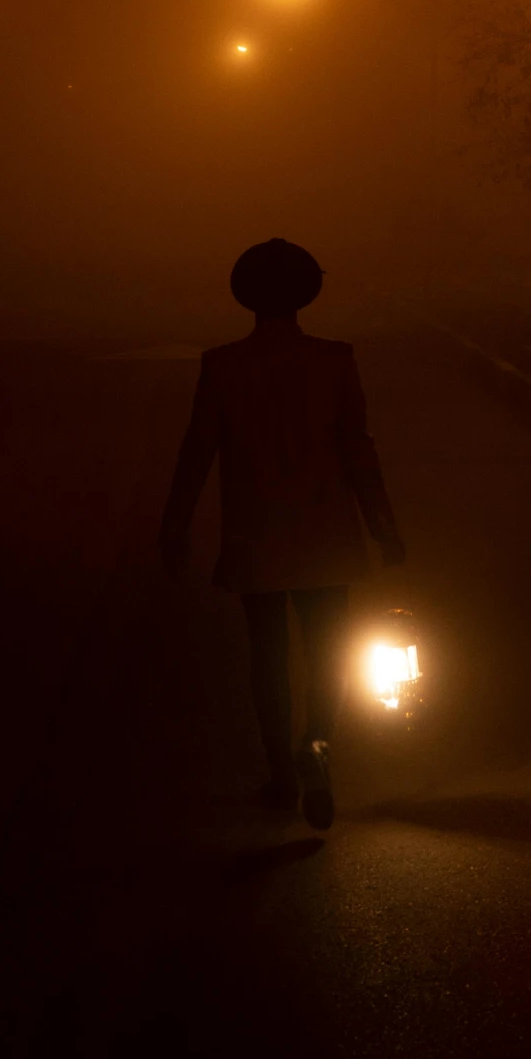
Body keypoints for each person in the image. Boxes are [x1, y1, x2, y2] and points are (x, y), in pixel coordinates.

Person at [158, 238, 406, 830]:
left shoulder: (222, 365)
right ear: (306, 293)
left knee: (267, 659)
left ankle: (280, 775)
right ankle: (317, 746)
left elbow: (198, 450)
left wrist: (175, 523)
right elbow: (358, 451)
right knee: (327, 651)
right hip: (327, 534)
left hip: (257, 537)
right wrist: (384, 528)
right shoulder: (335, 359)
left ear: (245, 294)